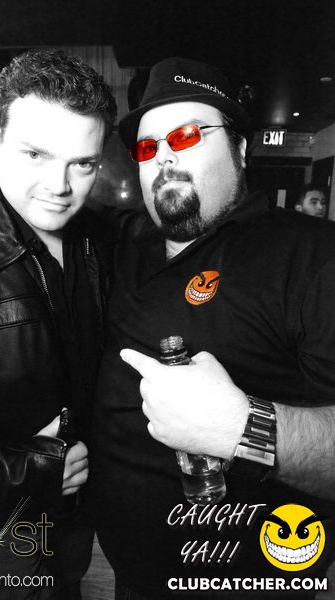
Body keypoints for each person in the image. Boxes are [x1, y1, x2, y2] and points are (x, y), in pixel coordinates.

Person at [91, 57, 335, 599]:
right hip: (131, 576)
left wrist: (244, 428)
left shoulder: (313, 256)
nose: (164, 156)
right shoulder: (121, 242)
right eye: (148, 148)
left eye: (186, 135)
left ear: (241, 149)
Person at [0, 48, 116, 599]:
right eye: (36, 154)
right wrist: (28, 470)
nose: (59, 186)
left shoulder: (99, 237)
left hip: (79, 507)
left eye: (82, 164)